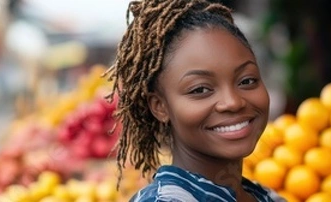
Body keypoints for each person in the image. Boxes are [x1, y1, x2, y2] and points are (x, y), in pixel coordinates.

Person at [104, 0, 285, 201]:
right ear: (160, 106)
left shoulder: (267, 197)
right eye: (200, 89)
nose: (233, 102)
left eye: (247, 80)